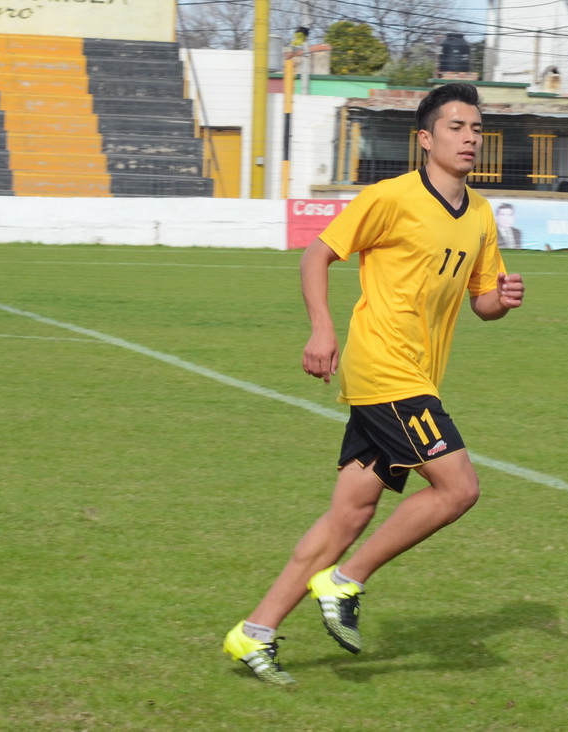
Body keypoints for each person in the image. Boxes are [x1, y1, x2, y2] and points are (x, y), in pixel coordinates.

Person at [223, 82, 526, 685]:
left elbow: (482, 304)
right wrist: (321, 330)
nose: (469, 138)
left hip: (417, 376)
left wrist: (503, 300)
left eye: (475, 130)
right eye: (455, 127)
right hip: (384, 367)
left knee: (349, 512)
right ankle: (345, 582)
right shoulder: (390, 198)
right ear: (425, 139)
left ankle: (252, 632)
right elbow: (316, 255)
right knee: (458, 488)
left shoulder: (482, 215)